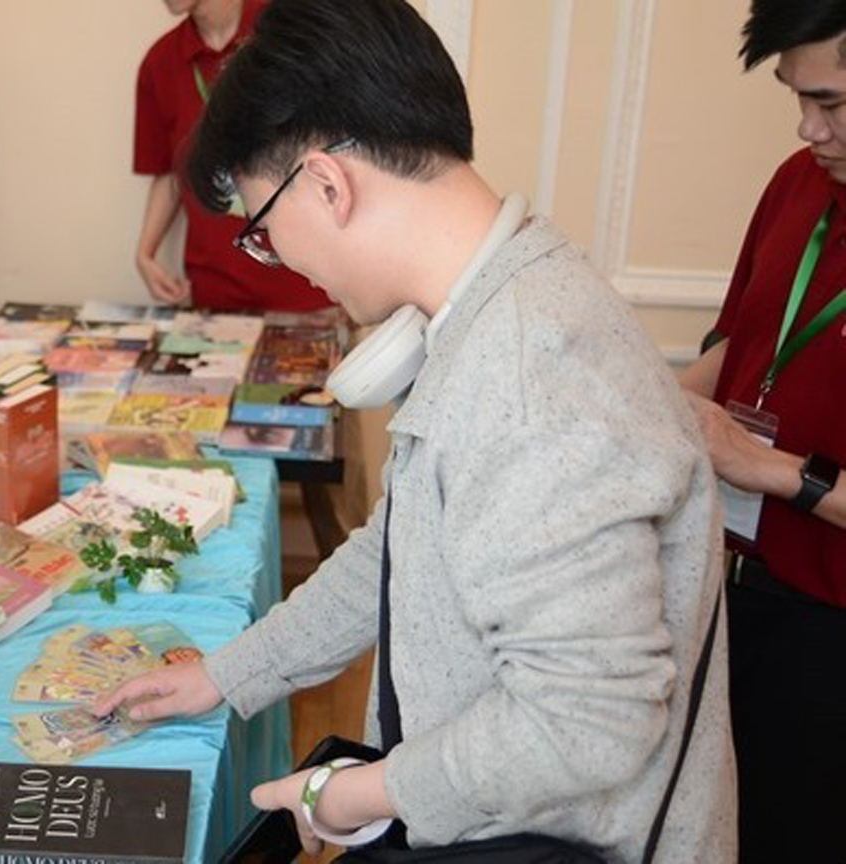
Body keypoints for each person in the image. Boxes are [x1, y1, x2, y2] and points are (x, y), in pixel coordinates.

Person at [95, 0, 736, 859]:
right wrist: (227, 675)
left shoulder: (527, 372)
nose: (282, 259)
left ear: (327, 183)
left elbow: (589, 719)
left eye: (264, 230)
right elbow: (399, 549)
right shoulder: (489, 307)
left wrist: (356, 791)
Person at [676, 3, 846, 861]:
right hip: (735, 583)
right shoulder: (797, 181)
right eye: (795, 97)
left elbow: (766, 458)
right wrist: (651, 405)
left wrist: (774, 469)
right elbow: (736, 346)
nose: (808, 128)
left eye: (833, 103)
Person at [134, 0, 331, 312]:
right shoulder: (160, 62)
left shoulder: (290, 31)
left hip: (306, 282)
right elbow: (169, 171)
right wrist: (145, 254)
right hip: (215, 290)